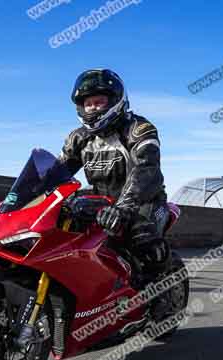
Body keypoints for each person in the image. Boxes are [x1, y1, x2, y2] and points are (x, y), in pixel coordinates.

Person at [54, 68, 171, 286]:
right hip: (102, 203)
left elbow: (147, 169)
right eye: (88, 104)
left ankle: (157, 288)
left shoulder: (138, 129)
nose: (92, 108)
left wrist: (123, 208)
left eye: (99, 102)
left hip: (144, 201)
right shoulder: (78, 137)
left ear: (115, 101)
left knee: (142, 236)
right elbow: (57, 173)